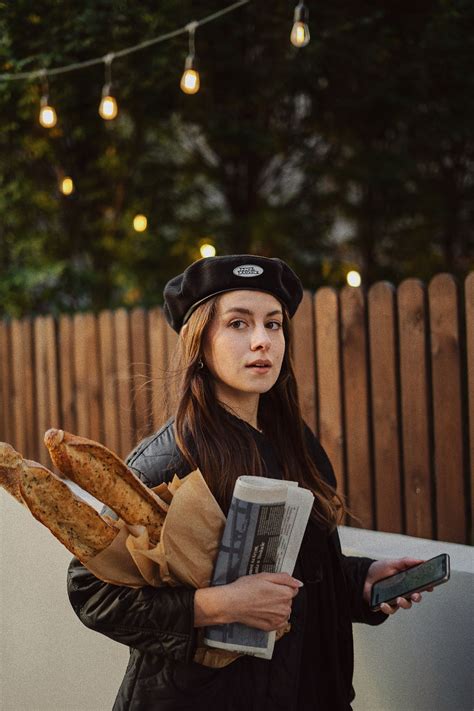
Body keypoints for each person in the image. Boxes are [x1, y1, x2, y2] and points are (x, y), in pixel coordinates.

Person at [67, 254, 429, 710]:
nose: (262, 341)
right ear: (200, 340)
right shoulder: (169, 458)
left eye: (273, 325)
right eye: (238, 324)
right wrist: (220, 606)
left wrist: (360, 580)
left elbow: (298, 574)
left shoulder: (297, 442)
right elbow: (91, 592)